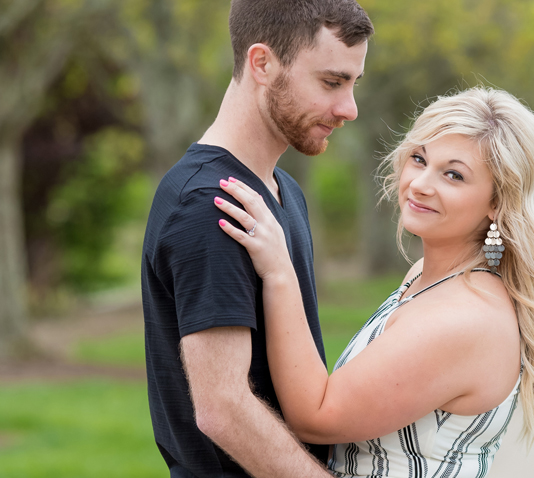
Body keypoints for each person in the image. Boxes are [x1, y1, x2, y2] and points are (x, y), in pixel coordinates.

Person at [213, 87, 534, 477]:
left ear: (497, 201)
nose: (421, 183)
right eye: (419, 159)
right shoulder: (427, 275)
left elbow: (316, 416)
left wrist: (279, 272)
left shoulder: (465, 317)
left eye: (453, 175)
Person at [140, 1, 373, 476]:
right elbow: (223, 408)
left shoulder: (284, 191)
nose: (348, 108)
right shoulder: (209, 205)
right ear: (262, 63)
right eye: (331, 82)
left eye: (353, 83)